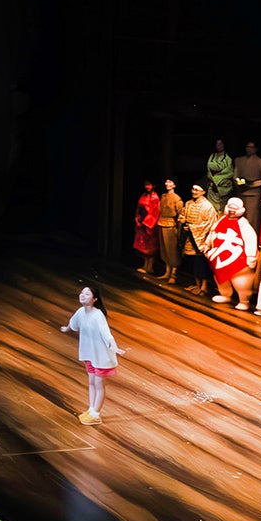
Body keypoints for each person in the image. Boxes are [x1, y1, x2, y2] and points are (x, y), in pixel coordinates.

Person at [59, 283, 123, 426]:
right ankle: (91, 409)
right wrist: (67, 328)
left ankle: (96, 414)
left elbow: (106, 334)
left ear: (95, 299)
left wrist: (115, 347)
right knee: (91, 382)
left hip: (101, 357)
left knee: (99, 384)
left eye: (87, 294)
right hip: (90, 354)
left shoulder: (98, 315)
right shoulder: (81, 312)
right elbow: (73, 323)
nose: (83, 295)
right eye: (82, 293)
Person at [205, 197, 258, 309]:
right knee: (221, 278)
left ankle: (244, 300)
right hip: (219, 256)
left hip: (238, 259)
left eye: (234, 208)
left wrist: (251, 256)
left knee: (241, 280)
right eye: (230, 207)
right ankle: (225, 295)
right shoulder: (221, 220)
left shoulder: (243, 224)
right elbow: (213, 232)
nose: (231, 211)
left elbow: (251, 239)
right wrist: (207, 244)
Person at [178, 183, 221, 296]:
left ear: (203, 192)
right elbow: (183, 215)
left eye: (197, 190)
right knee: (192, 262)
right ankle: (197, 285)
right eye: (193, 189)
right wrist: (183, 220)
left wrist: (191, 227)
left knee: (201, 263)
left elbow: (210, 224)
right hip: (189, 237)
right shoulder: (188, 204)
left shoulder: (208, 207)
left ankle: (204, 286)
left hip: (201, 239)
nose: (194, 191)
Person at [233, 141, 261, 234]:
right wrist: (241, 183)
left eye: (251, 147)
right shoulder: (239, 160)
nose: (249, 149)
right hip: (241, 193)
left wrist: (251, 184)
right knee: (239, 217)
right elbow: (235, 176)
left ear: (256, 149)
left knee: (253, 220)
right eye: (247, 147)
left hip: (254, 195)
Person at [155, 179, 183, 284]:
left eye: (170, 182)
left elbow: (180, 215)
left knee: (172, 250)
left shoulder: (177, 199)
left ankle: (173, 274)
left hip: (171, 226)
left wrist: (179, 230)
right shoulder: (163, 196)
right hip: (161, 223)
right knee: (164, 249)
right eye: (166, 182)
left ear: (175, 185)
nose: (167, 184)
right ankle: (167, 271)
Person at [132, 180, 159, 275]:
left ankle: (150, 267)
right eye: (146, 185)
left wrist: (146, 223)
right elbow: (138, 208)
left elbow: (155, 212)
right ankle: (145, 265)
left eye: (149, 185)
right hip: (141, 222)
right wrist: (137, 219)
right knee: (143, 246)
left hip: (149, 224)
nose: (147, 187)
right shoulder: (144, 195)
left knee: (151, 247)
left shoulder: (155, 197)